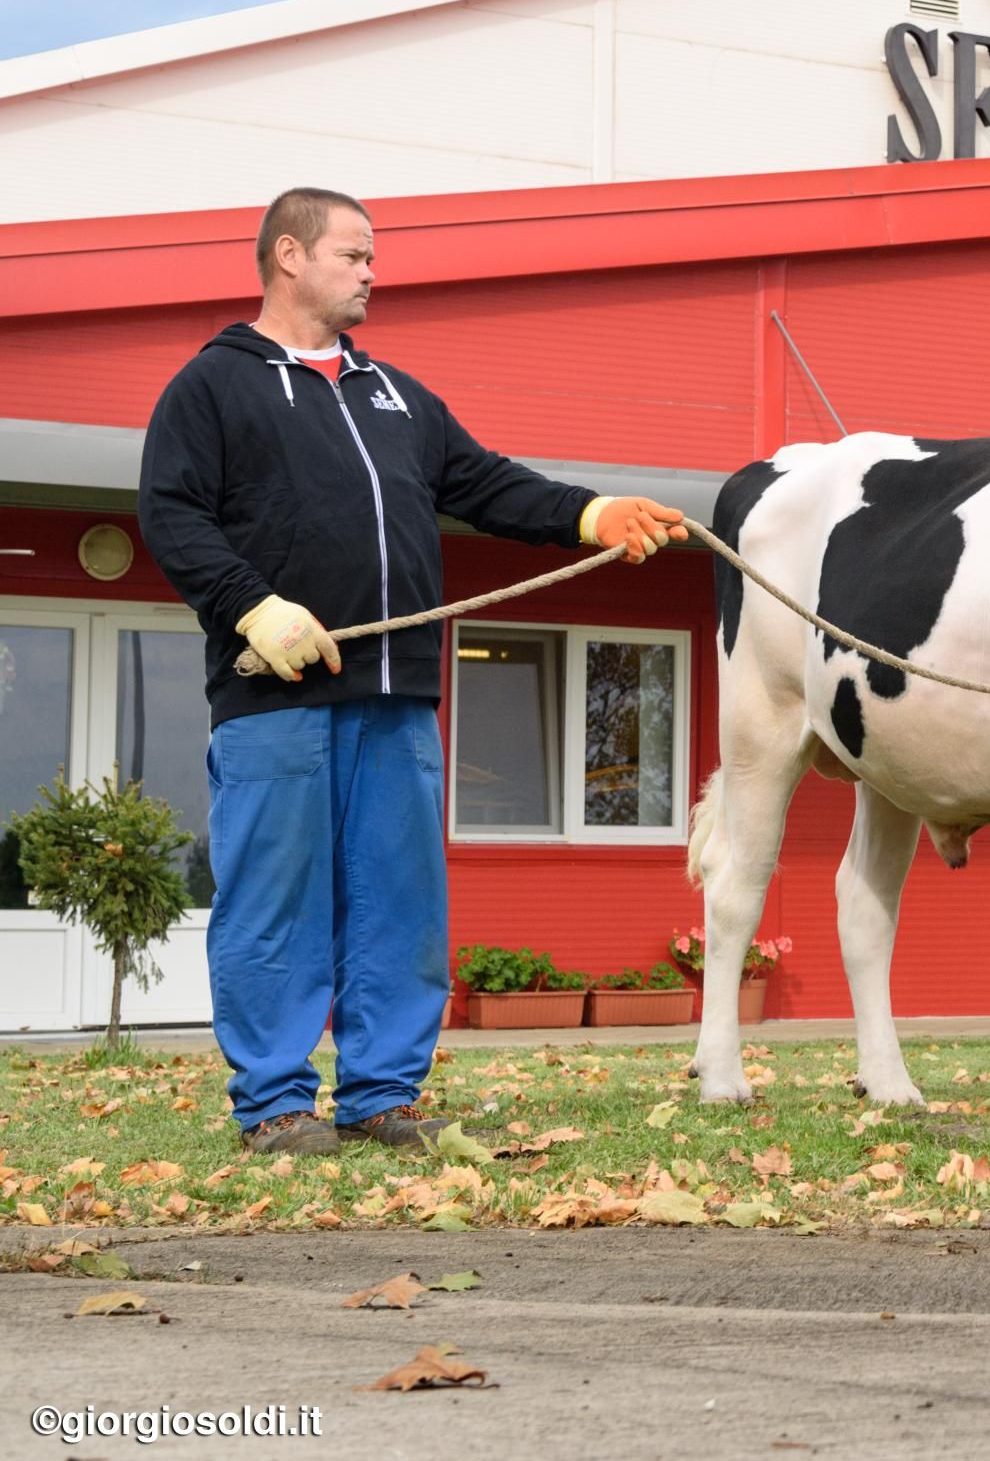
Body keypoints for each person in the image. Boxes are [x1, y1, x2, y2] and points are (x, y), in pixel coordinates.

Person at [137, 186, 689, 1154]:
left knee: (399, 903)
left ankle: (382, 1094)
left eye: (372, 256)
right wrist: (251, 605)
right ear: (289, 256)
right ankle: (272, 1102)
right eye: (354, 253)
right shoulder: (211, 386)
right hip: (276, 704)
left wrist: (592, 513)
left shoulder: (395, 395)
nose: (370, 272)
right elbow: (172, 514)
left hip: (398, 700)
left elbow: (483, 483)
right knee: (275, 903)